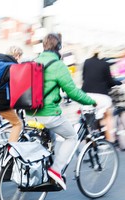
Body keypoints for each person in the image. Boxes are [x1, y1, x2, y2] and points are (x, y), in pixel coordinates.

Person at [27, 33, 97, 190]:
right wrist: (90, 101)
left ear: (44, 46)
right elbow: (72, 92)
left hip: (30, 113)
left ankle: (44, 168)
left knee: (49, 138)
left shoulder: (34, 62)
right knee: (71, 136)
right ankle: (56, 170)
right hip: (48, 113)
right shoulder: (58, 65)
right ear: (58, 47)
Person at [81, 47, 122, 143]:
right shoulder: (105, 64)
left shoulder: (86, 62)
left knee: (92, 115)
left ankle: (92, 137)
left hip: (86, 95)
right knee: (108, 114)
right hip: (101, 96)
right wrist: (118, 82)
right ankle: (110, 139)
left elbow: (84, 77)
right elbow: (110, 81)